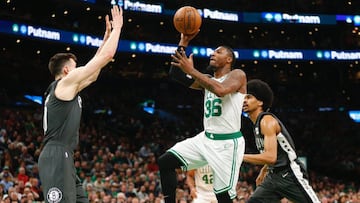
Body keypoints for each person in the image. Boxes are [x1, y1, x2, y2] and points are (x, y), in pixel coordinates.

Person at [37, 5, 123, 203]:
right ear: (67, 71)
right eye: (76, 68)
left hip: (64, 155)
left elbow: (93, 74)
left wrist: (106, 39)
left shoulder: (66, 88)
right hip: (56, 154)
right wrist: (118, 28)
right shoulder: (64, 84)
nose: (80, 71)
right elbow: (106, 57)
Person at [158, 31, 247, 203]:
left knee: (222, 196)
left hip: (227, 144)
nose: (213, 53)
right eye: (213, 51)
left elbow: (220, 90)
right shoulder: (206, 79)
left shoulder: (237, 75)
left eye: (219, 52)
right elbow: (176, 75)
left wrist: (191, 70)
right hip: (205, 139)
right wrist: (183, 43)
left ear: (229, 60)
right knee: (165, 161)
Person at [242, 79, 320, 203]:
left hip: (289, 174)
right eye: (243, 97)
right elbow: (275, 154)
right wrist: (264, 170)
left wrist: (239, 156)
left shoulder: (267, 121)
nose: (244, 100)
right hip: (273, 176)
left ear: (260, 102)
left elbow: (270, 157)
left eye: (249, 97)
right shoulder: (256, 124)